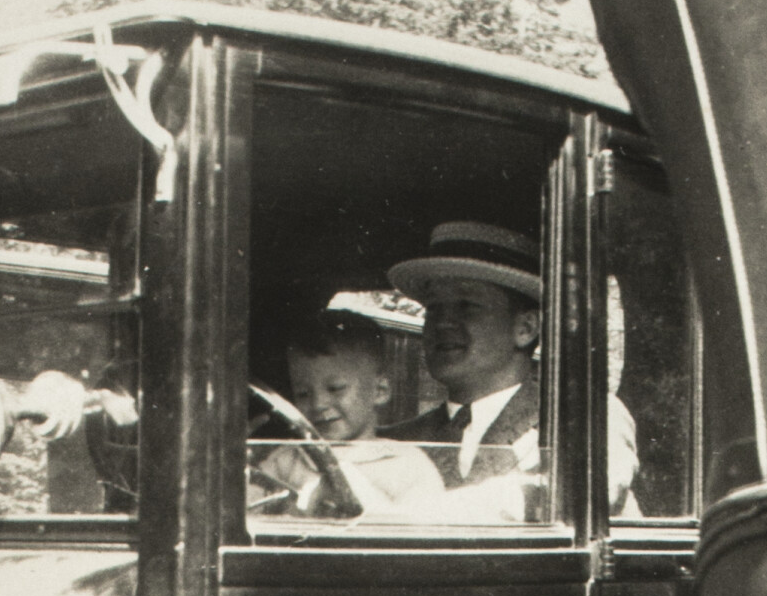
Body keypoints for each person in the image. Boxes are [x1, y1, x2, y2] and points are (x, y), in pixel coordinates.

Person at [385, 220, 642, 519]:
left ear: (525, 328)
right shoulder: (398, 442)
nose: (442, 322)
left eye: (466, 305)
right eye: (434, 308)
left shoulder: (583, 418)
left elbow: (584, 496)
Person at [252, 310, 444, 517]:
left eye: (335, 389)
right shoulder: (286, 461)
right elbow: (247, 513)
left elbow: (425, 529)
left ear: (380, 391)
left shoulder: (407, 464)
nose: (317, 404)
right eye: (303, 393)